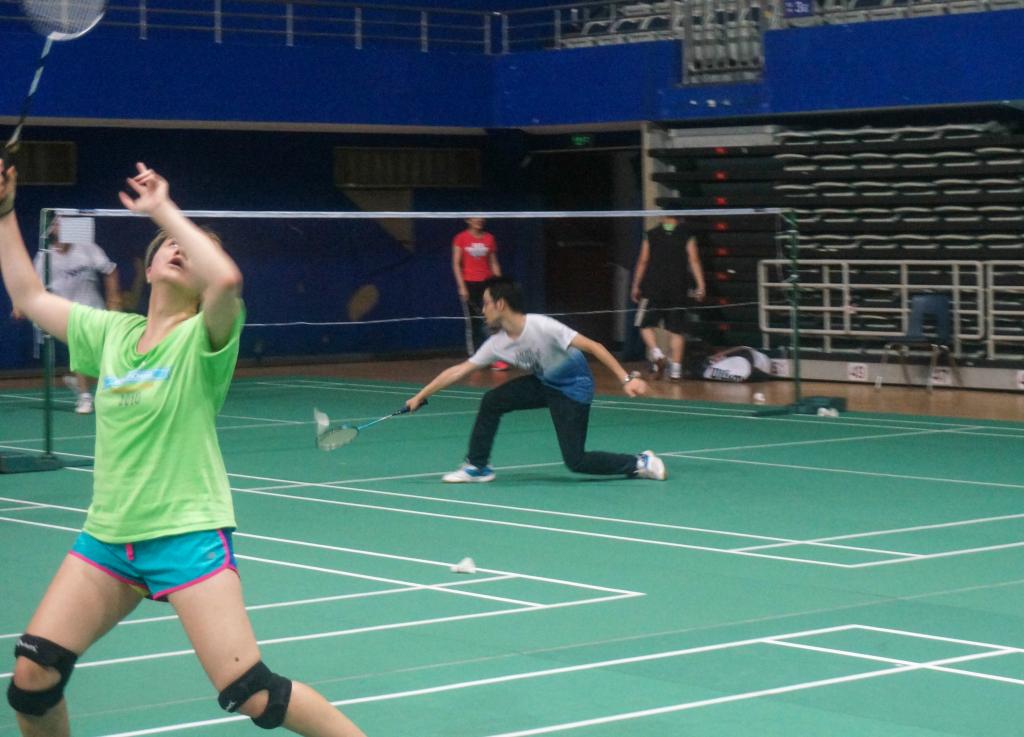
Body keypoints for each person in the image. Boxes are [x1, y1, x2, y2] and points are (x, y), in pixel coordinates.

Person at [0, 159, 367, 737]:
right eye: (165, 244)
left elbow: (226, 281)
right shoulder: (109, 334)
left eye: (187, 249)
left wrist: (162, 210)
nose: (176, 250)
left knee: (252, 694)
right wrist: (3, 211)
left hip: (187, 533)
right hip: (110, 536)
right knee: (32, 678)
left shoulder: (205, 339)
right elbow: (26, 291)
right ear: (146, 267)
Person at [405, 277, 666, 483]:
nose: (482, 310)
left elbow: (594, 346)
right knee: (492, 400)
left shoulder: (542, 326)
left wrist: (626, 378)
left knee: (576, 461)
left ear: (501, 304)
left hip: (573, 389)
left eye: (485, 303)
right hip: (544, 384)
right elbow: (459, 370)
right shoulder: (497, 343)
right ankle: (477, 466)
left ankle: (639, 463)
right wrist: (421, 395)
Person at [12, 223, 122, 414]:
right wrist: (20, 304)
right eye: (57, 223)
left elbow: (110, 270)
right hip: (68, 314)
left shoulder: (87, 248)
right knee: (79, 349)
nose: (61, 226)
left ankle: (80, 382)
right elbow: (33, 285)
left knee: (104, 359)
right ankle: (85, 397)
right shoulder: (45, 256)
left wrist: (114, 298)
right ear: (51, 230)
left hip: (96, 311)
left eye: (65, 222)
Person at [630, 214, 706, 382]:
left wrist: (636, 285)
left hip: (653, 287)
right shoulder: (687, 234)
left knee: (644, 324)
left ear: (663, 216)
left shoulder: (651, 234)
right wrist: (701, 285)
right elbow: (694, 260)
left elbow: (643, 260)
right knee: (676, 330)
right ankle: (676, 371)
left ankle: (657, 354)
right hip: (678, 288)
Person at [451, 216, 508, 370]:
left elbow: (493, 262)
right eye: (476, 218)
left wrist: (499, 284)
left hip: (487, 285)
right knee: (473, 322)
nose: (480, 220)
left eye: (482, 218)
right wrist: (462, 286)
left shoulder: (489, 238)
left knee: (493, 321)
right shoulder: (460, 238)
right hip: (469, 284)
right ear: (468, 220)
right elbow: (456, 264)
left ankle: (495, 357)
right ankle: (475, 358)